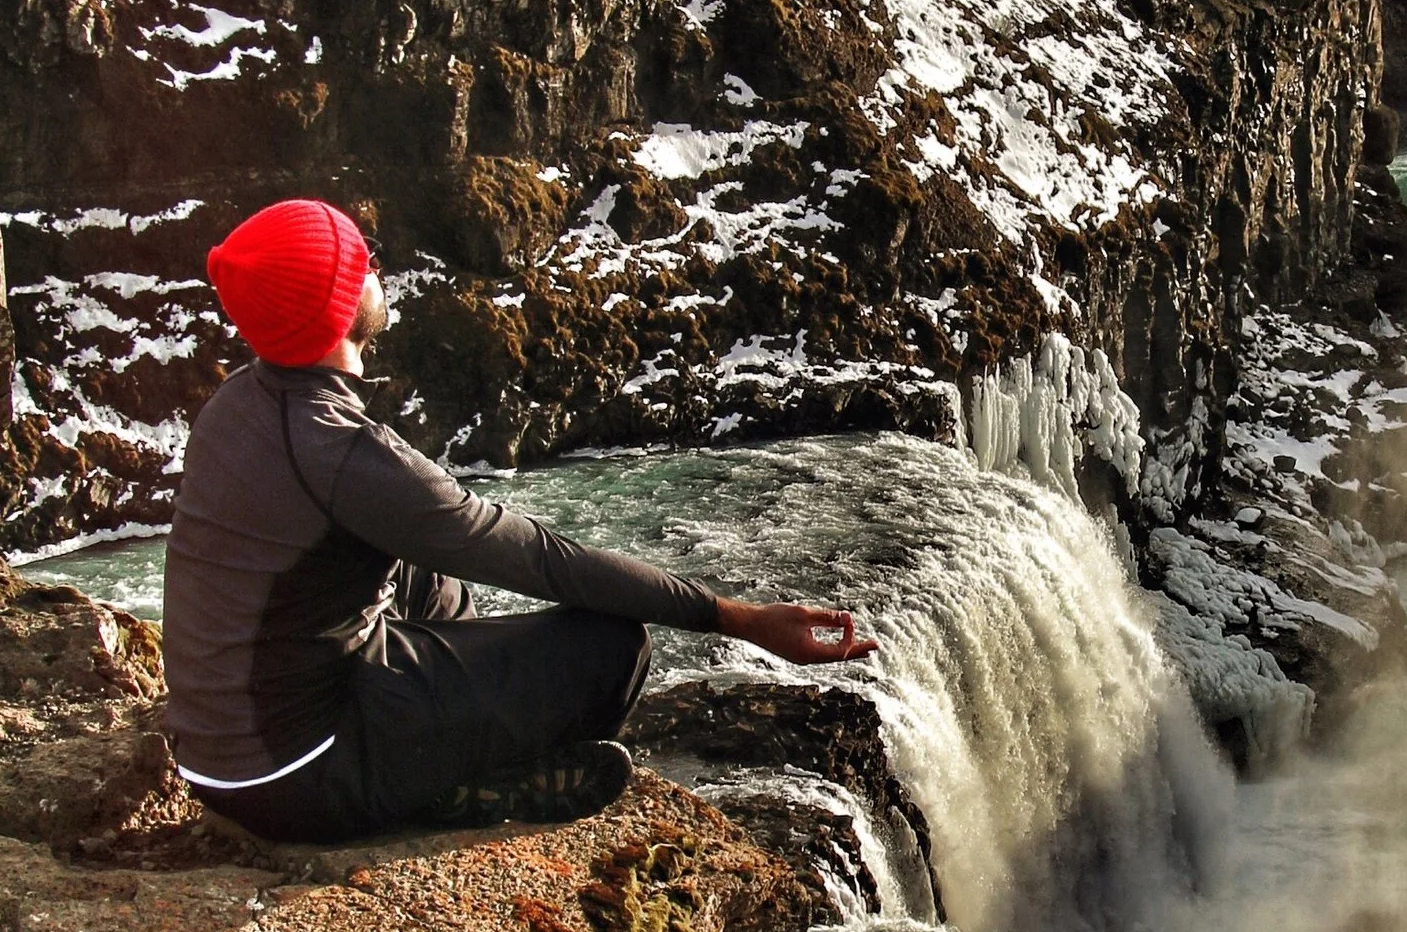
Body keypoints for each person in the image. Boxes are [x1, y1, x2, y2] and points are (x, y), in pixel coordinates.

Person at [160, 196, 873, 844]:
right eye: (362, 263)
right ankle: (456, 782)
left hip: (224, 759)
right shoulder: (338, 449)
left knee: (415, 564)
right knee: (610, 647)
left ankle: (461, 752)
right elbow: (539, 558)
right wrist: (738, 620)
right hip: (302, 780)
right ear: (336, 306)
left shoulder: (240, 405)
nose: (377, 269)